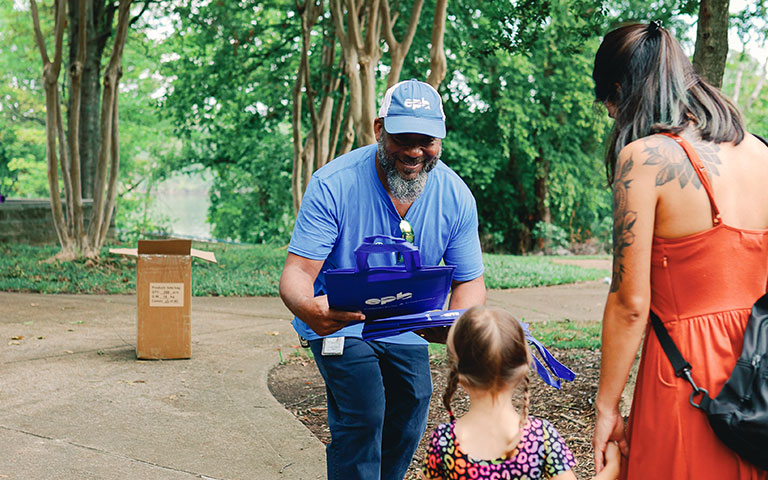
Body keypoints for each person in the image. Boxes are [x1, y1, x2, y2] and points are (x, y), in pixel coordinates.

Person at [279, 79, 487, 480]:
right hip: (340, 321)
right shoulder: (333, 184)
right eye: (401, 138)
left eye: (425, 140)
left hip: (406, 325)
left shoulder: (456, 196)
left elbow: (470, 283)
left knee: (413, 401)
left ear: (440, 138)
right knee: (364, 409)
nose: (413, 151)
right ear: (379, 130)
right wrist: (308, 308)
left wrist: (456, 323)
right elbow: (298, 273)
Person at [591, 22, 768, 479]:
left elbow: (630, 304)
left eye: (608, 105)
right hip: (759, 375)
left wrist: (606, 407)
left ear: (618, 91)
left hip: (687, 376)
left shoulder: (645, 159)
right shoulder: (761, 153)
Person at [422, 306, 621, 480]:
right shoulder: (539, 436)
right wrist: (613, 467)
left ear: (457, 373)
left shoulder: (443, 441)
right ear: (523, 369)